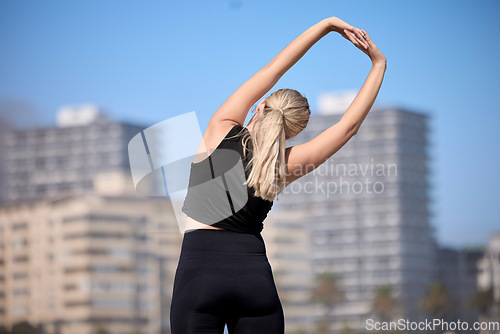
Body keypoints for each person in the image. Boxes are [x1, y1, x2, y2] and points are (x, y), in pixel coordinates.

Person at [170, 16, 387, 333]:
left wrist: (326, 26)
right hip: (255, 281)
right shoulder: (282, 165)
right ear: (292, 133)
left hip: (198, 278)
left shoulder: (221, 128)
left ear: (260, 106)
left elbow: (273, 71)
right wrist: (378, 64)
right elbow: (347, 128)